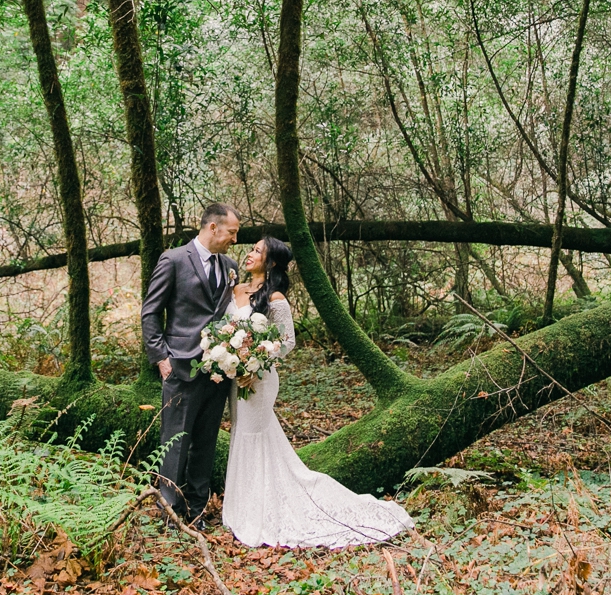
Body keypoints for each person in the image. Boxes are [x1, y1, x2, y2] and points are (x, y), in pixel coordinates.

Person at [221, 236, 415, 547]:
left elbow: (286, 342)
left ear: (270, 262)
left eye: (258, 251)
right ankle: (242, 507)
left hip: (257, 380)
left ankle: (257, 515)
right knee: (241, 437)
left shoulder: (275, 299)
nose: (250, 253)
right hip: (235, 378)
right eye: (252, 248)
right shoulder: (236, 290)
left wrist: (254, 364)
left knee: (252, 438)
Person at [141, 202, 240, 526]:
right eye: (232, 232)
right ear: (213, 227)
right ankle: (170, 512)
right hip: (180, 367)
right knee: (175, 442)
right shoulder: (173, 260)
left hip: (218, 370)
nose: (234, 240)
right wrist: (160, 357)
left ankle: (197, 511)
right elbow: (151, 312)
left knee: (206, 441)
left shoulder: (230, 266)